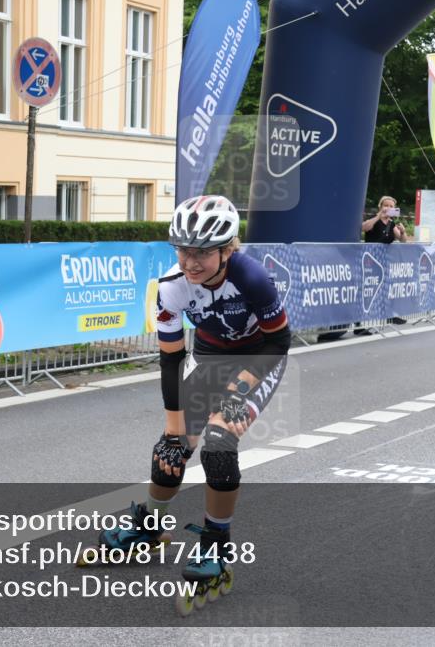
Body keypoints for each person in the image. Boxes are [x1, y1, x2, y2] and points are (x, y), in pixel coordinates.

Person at [96, 195, 291, 606]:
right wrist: (173, 428)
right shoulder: (170, 287)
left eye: (202, 252)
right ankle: (149, 525)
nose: (191, 261)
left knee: (219, 443)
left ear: (227, 250)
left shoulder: (252, 278)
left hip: (259, 360)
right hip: (209, 361)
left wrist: (239, 391)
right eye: (184, 250)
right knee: (171, 450)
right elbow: (170, 359)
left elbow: (279, 340)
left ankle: (217, 546)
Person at [357, 195, 408, 330]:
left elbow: (403, 240)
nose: (389, 208)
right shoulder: (375, 220)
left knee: (385, 289)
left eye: (392, 207)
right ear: (380, 206)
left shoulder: (391, 224)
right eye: (386, 205)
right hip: (370, 261)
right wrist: (378, 216)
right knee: (367, 291)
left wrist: (402, 232)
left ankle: (389, 314)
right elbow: (364, 228)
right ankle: (359, 323)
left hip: (384, 261)